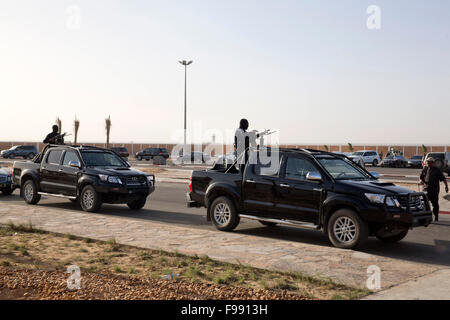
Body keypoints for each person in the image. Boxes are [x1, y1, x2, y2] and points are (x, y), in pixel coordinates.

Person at [419, 157, 449, 222]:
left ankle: (436, 216)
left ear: (432, 163)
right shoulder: (425, 169)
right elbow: (421, 177)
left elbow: (443, 179)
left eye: (429, 162)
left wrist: (446, 186)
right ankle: (426, 217)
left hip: (434, 190)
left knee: (435, 204)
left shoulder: (437, 170)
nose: (428, 163)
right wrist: (421, 181)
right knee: (424, 203)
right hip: (425, 189)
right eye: (427, 162)